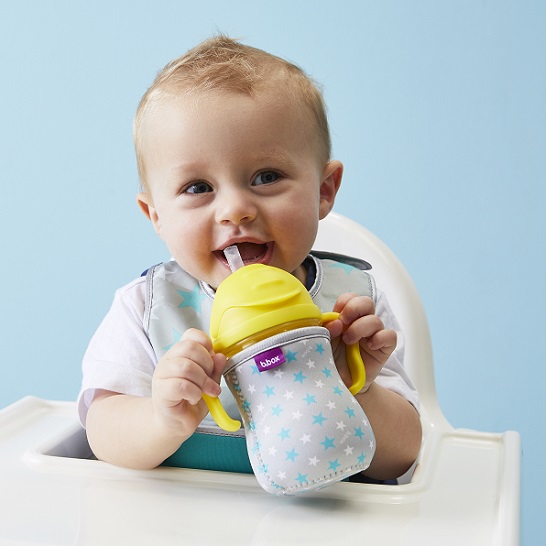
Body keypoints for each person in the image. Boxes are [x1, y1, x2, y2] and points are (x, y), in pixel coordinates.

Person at [78, 35, 422, 481]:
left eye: (266, 176)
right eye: (198, 187)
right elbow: (101, 432)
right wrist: (161, 420)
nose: (235, 209)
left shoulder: (351, 306)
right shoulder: (147, 308)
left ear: (323, 190)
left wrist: (358, 386)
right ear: (156, 215)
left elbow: (403, 455)